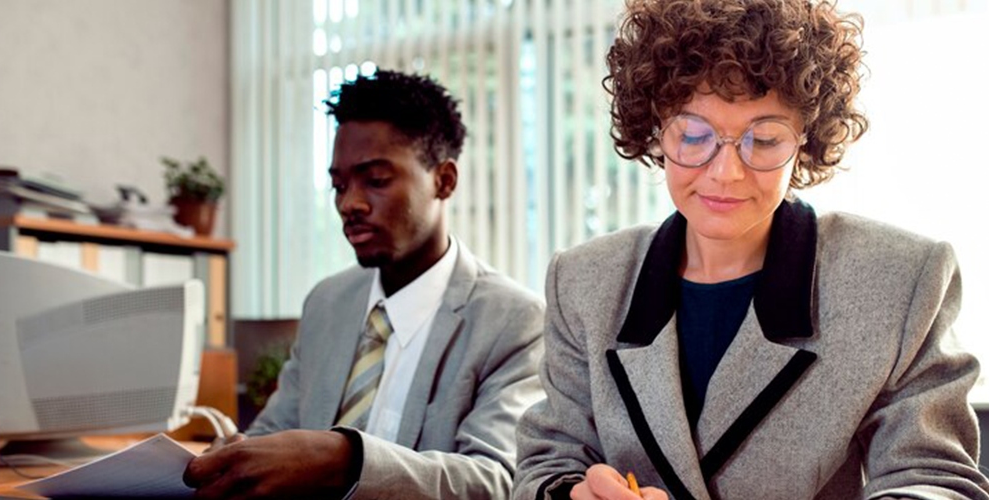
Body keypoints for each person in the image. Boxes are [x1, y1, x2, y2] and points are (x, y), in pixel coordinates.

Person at [513, 1, 989, 499]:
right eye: (694, 135)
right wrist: (572, 493)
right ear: (655, 131)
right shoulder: (584, 282)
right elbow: (548, 460)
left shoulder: (899, 280)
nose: (726, 172)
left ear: (805, 139)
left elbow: (934, 481)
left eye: (763, 139)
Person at [184, 70, 545, 500]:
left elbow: (497, 481)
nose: (348, 204)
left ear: (444, 180)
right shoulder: (327, 303)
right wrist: (239, 453)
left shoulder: (513, 320)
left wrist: (347, 461)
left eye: (375, 181)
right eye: (339, 185)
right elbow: (273, 433)